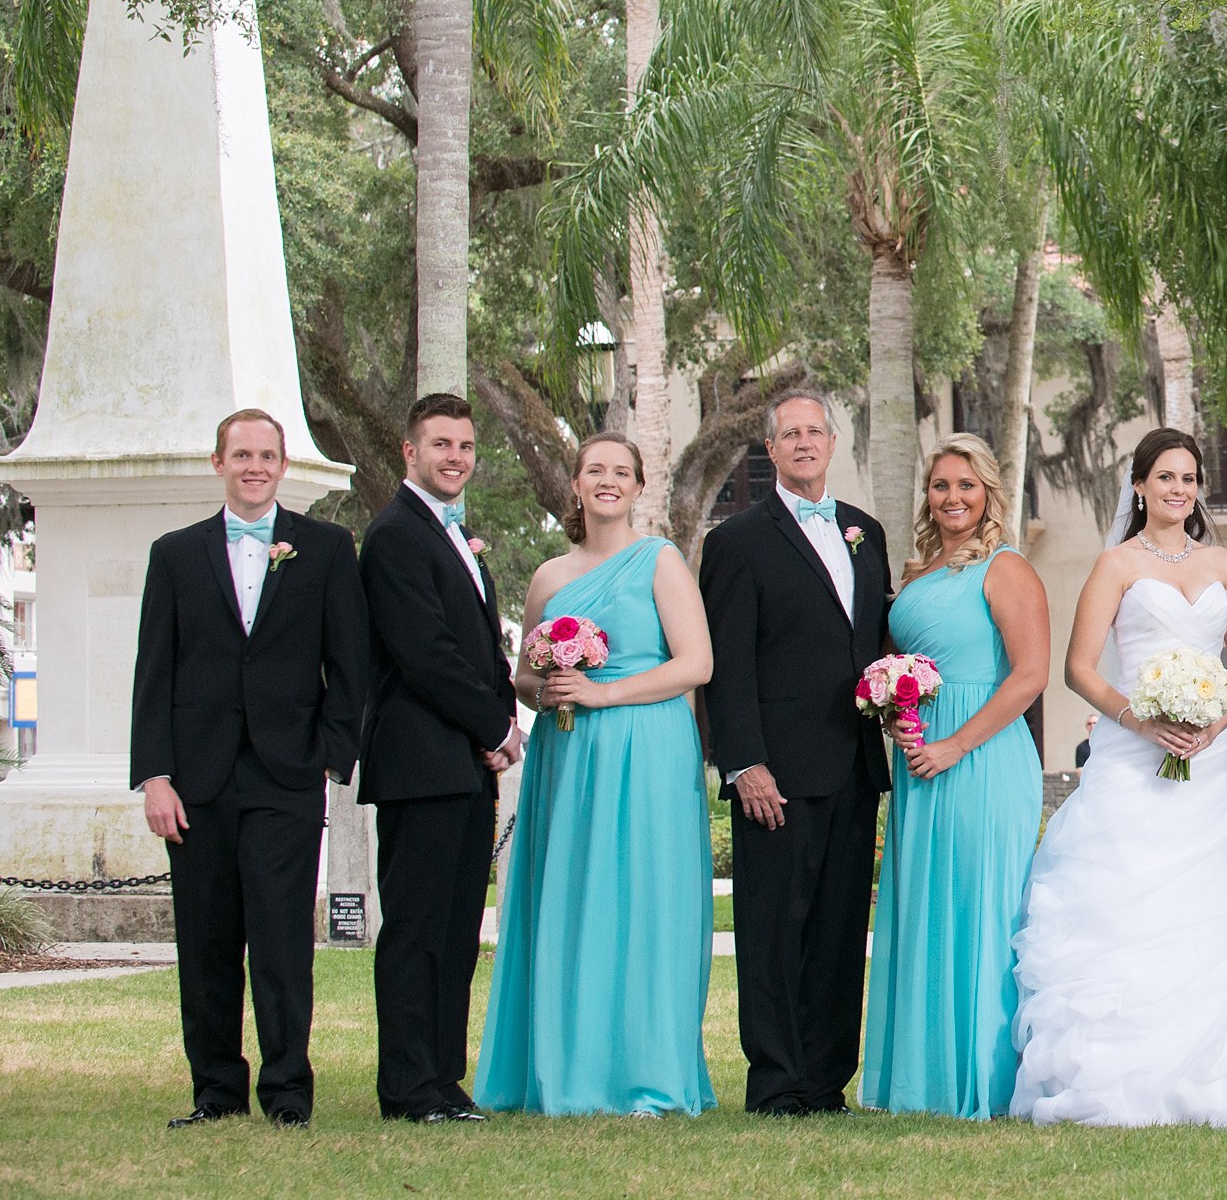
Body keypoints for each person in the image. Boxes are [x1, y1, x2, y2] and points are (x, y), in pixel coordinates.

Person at [1011, 428, 1227, 1128]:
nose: (1179, 489)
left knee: (1220, 910)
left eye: (1189, 477)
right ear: (1139, 485)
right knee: (1124, 909)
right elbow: (1079, 666)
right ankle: (1115, 1080)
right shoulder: (1115, 565)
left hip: (1211, 769)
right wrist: (1140, 721)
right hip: (1132, 764)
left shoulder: (1224, 565)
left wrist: (1215, 720)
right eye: (1165, 477)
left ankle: (1225, 1084)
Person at [131, 409, 368, 1129]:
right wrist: (156, 776)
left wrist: (332, 752)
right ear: (218, 463)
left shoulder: (325, 549)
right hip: (195, 782)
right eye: (241, 454)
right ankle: (215, 1091)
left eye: (266, 454)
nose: (254, 466)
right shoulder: (174, 554)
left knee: (282, 941)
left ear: (282, 464)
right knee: (205, 944)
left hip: (285, 776)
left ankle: (288, 1092)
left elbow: (351, 664)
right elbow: (154, 673)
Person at [476, 434, 716, 1116]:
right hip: (570, 752)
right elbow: (524, 673)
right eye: (594, 470)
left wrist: (604, 692)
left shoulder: (661, 561)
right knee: (574, 897)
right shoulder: (550, 577)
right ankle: (566, 1066)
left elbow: (695, 663)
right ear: (575, 485)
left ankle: (647, 1075)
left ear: (640, 486)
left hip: (648, 749)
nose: (607, 481)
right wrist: (546, 686)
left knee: (644, 900)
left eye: (621, 471)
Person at [698, 391, 891, 1116]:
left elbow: (872, 644)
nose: (804, 443)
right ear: (770, 450)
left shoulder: (863, 533)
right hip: (775, 771)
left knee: (842, 927)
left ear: (832, 443)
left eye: (815, 431)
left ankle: (825, 1077)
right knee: (774, 927)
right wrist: (744, 761)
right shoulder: (737, 541)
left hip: (853, 764)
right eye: (790, 434)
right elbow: (728, 663)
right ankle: (777, 1080)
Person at [862, 435, 1051, 1119]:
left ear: (989, 492)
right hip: (921, 759)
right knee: (926, 905)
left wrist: (956, 745)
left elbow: (1030, 675)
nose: (953, 497)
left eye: (966, 485)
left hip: (984, 755)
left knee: (981, 905)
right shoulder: (915, 575)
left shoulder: (1006, 569)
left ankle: (985, 1079)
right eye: (941, 485)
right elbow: (899, 666)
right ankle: (923, 1079)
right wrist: (897, 716)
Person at [359, 392, 524, 1124]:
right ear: (409, 452)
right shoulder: (395, 534)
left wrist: (490, 730)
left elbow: (478, 648)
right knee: (418, 931)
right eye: (440, 444)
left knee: (457, 933)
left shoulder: (453, 534)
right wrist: (498, 725)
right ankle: (406, 1086)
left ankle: (441, 1080)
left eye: (464, 445)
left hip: (459, 768)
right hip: (419, 767)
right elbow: (425, 654)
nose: (455, 456)